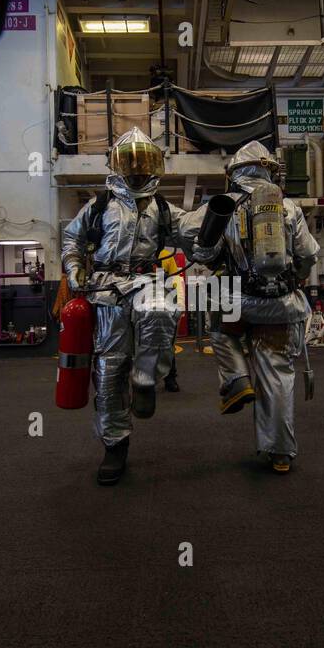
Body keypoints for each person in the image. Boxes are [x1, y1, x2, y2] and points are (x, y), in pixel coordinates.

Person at [60, 127, 194, 485]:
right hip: (105, 291)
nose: (137, 169)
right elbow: (72, 239)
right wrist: (74, 269)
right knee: (108, 374)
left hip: (147, 281)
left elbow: (194, 230)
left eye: (143, 161)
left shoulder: (163, 208)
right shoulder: (100, 205)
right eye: (129, 162)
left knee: (162, 308)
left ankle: (147, 379)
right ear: (117, 166)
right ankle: (115, 447)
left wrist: (223, 218)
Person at [192, 141, 319, 473]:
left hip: (237, 302)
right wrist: (296, 278)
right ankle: (280, 455)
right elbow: (309, 255)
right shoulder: (288, 207)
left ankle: (235, 378)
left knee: (217, 323)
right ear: (270, 170)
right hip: (281, 305)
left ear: (234, 174)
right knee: (277, 376)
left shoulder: (223, 206)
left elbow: (203, 256)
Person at [158, 248, 183, 392]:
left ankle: (170, 377)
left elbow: (176, 281)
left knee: (168, 342)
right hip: (143, 302)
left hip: (165, 301)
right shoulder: (137, 254)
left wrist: (178, 306)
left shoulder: (166, 255)